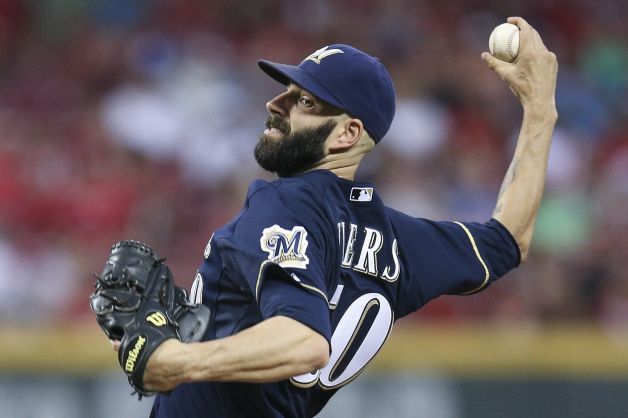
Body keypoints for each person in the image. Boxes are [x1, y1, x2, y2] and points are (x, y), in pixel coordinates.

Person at [112, 16, 558, 418]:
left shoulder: (283, 204)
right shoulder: (396, 237)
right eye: (287, 90)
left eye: (304, 101)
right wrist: (540, 111)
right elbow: (507, 240)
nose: (276, 103)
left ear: (348, 133)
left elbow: (305, 342)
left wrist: (178, 362)